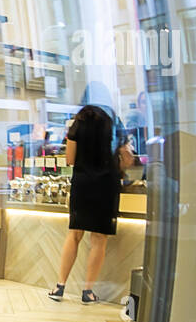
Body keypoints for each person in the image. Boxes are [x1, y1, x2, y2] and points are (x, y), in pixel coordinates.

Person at [49, 103, 133, 303]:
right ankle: (88, 292)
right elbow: (128, 158)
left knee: (75, 234)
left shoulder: (79, 122)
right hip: (107, 184)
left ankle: (60, 286)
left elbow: (70, 159)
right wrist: (115, 166)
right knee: (99, 239)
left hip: (83, 183)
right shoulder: (113, 122)